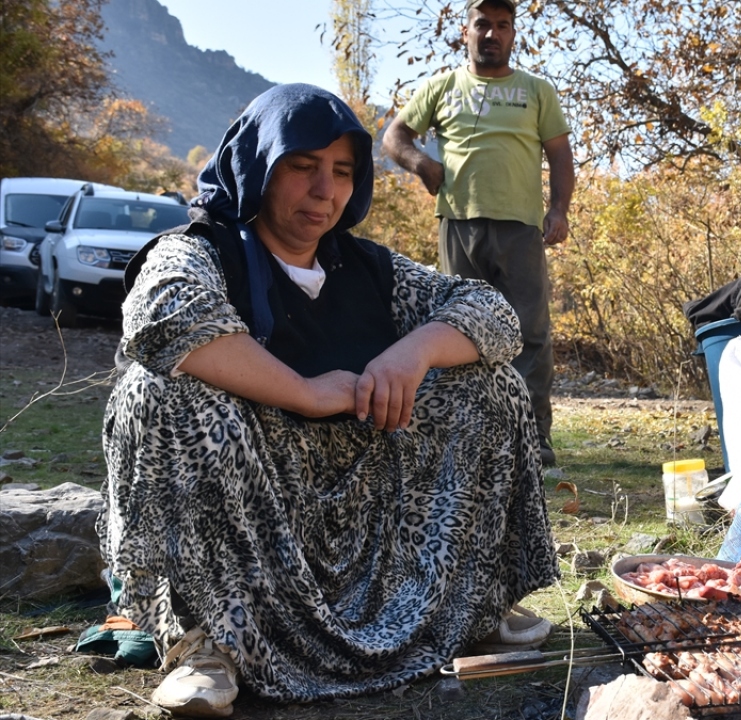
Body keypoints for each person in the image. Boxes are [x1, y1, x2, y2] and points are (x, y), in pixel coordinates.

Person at [99, 83, 559, 717]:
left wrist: (413, 351)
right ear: (259, 164)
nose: (325, 191)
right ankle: (206, 643)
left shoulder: (367, 268)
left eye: (343, 172)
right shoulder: (204, 251)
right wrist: (305, 392)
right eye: (302, 166)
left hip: (360, 503)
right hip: (253, 510)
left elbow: (494, 314)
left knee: (491, 383)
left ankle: (465, 605)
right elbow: (164, 318)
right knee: (152, 392)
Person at [383, 0, 575, 467]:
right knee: (460, 331)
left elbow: (561, 156)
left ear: (513, 34)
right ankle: (466, 435)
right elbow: (394, 137)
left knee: (529, 332)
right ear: (466, 32)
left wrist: (559, 210)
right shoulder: (443, 87)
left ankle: (533, 438)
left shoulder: (536, 91)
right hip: (459, 225)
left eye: (502, 26)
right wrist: (421, 163)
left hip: (521, 230)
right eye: (483, 25)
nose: (492, 33)